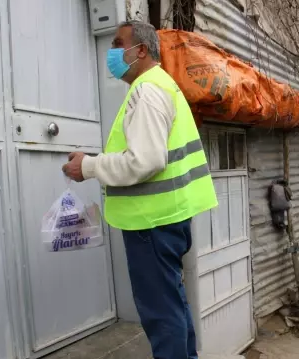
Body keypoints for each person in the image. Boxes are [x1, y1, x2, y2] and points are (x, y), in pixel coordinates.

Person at [62, 21, 217, 359]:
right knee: (171, 305)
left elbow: (145, 161)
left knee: (162, 314)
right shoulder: (160, 86)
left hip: (152, 224)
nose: (112, 53)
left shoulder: (148, 91)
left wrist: (87, 166)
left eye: (118, 44)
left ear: (141, 50)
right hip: (165, 219)